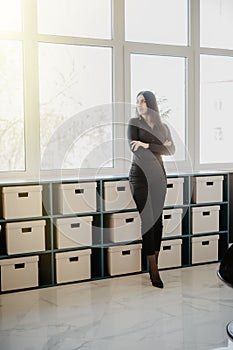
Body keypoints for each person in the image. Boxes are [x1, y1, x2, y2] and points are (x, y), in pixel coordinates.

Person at [127, 90, 175, 288]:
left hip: (159, 177)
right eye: (138, 101)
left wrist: (147, 145)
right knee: (148, 220)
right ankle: (154, 271)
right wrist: (158, 145)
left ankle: (154, 263)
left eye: (143, 101)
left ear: (151, 104)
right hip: (140, 177)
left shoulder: (162, 126)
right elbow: (133, 148)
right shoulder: (134, 123)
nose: (139, 104)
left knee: (158, 221)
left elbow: (171, 150)